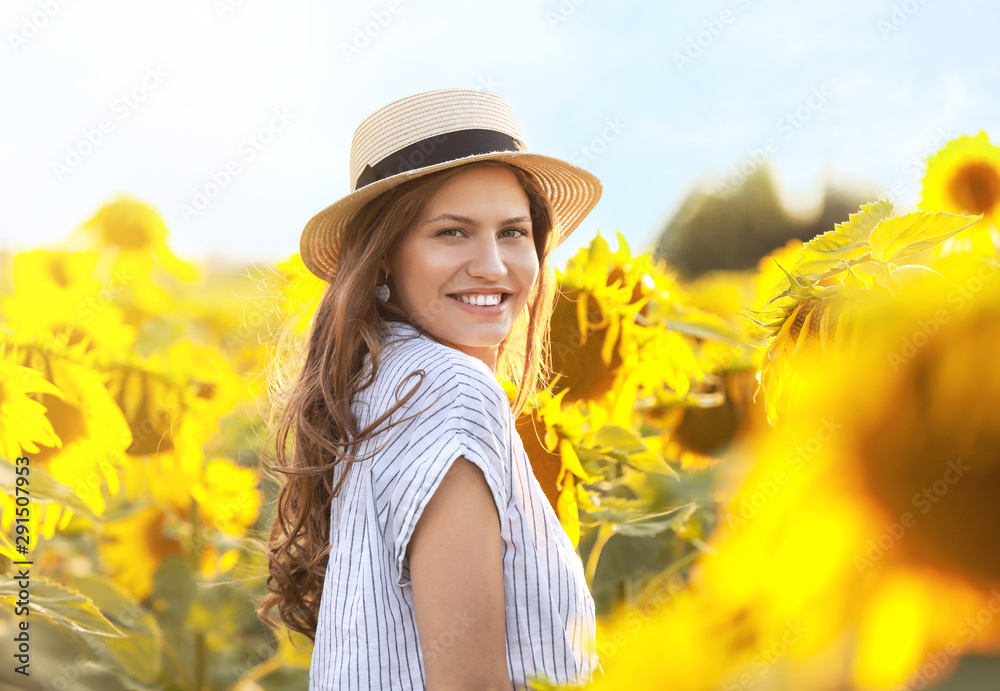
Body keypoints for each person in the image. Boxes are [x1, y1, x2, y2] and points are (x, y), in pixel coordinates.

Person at [256, 87, 604, 690]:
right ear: (384, 255)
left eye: (514, 232)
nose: (493, 265)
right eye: (452, 232)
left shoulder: (376, 378)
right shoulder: (449, 388)